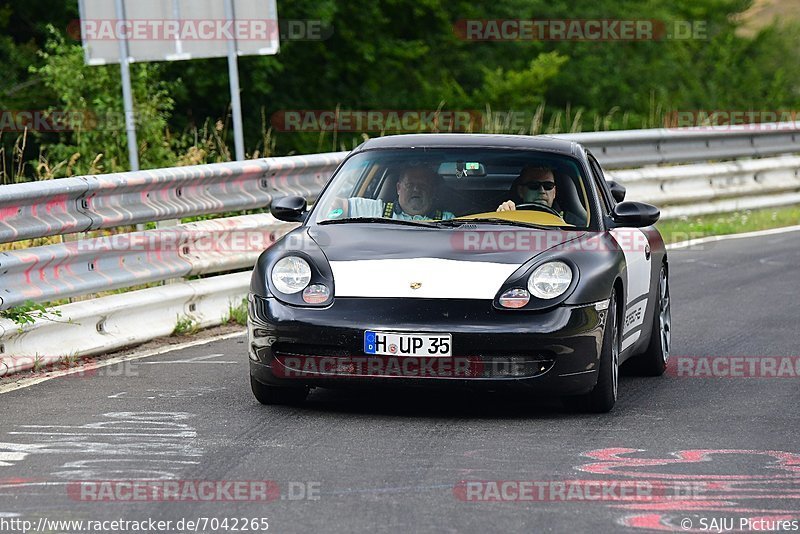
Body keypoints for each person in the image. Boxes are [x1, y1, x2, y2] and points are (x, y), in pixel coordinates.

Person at [330, 166, 455, 221]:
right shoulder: (376, 211)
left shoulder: (447, 219)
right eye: (410, 185)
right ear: (398, 188)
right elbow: (335, 205)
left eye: (422, 185)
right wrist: (333, 217)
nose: (416, 190)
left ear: (432, 190)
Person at [496, 165, 582, 225]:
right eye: (534, 185)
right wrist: (501, 218)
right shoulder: (509, 216)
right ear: (521, 191)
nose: (542, 191)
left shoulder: (572, 223)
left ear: (554, 192)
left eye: (548, 186)